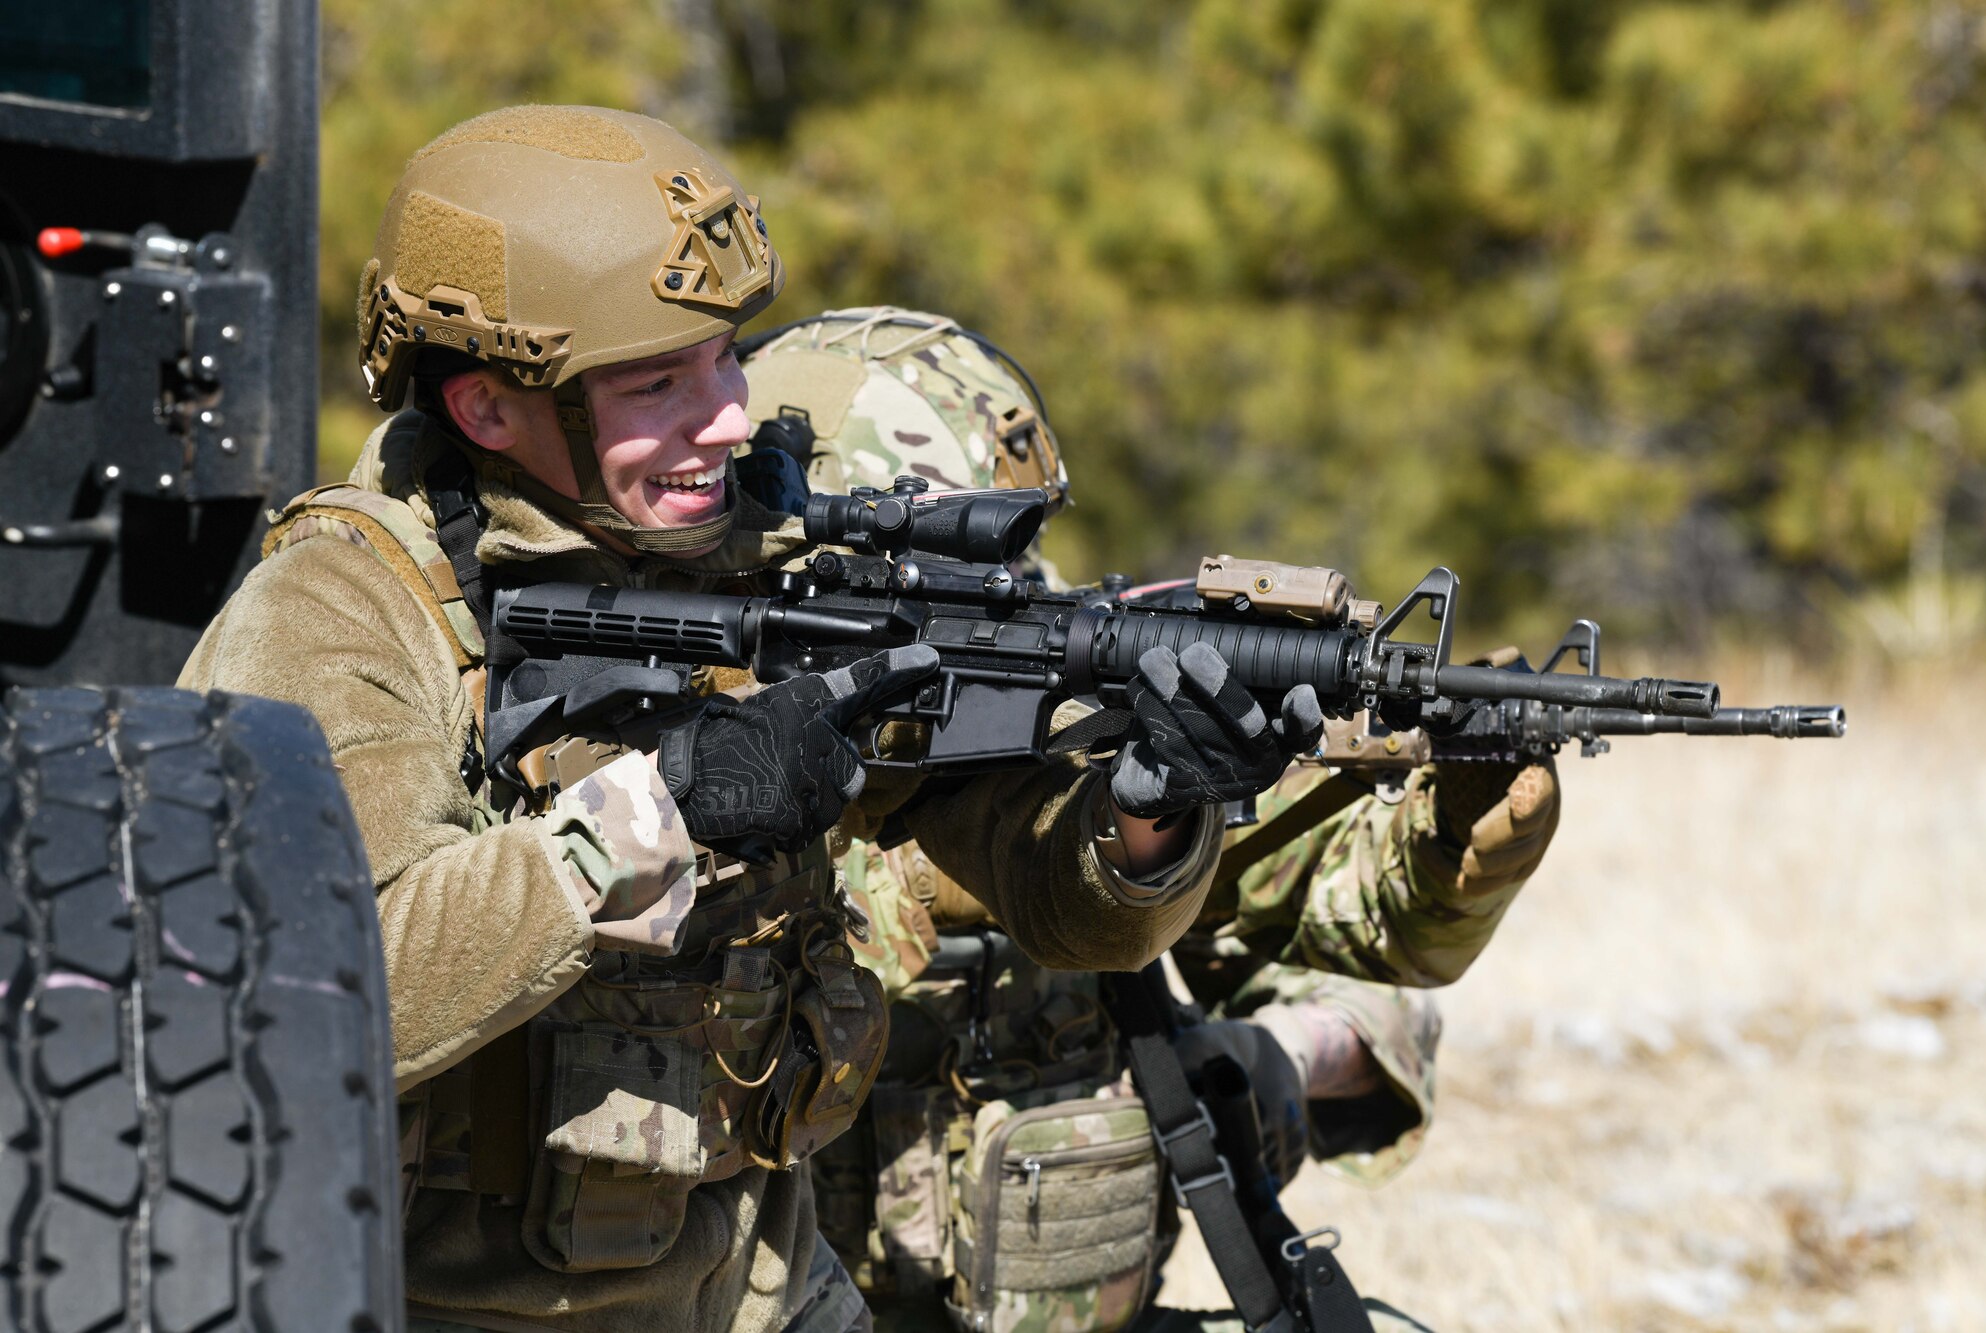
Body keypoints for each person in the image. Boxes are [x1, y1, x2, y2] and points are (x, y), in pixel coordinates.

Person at [178, 109, 1328, 1333]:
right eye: (658, 383)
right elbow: (294, 999)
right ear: (488, 408)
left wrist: (1152, 802)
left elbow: (1056, 894)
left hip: (762, 1287)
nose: (727, 417)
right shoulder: (343, 613)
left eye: (726, 358)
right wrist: (657, 817)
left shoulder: (755, 563)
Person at [739, 309, 1561, 1332]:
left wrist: (1276, 1052)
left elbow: (1358, 946)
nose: (1003, 581)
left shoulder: (1074, 704)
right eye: (930, 542)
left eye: (1012, 531)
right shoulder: (695, 750)